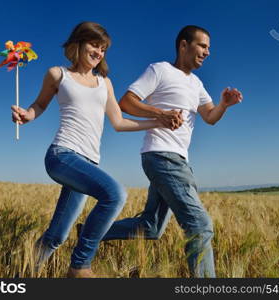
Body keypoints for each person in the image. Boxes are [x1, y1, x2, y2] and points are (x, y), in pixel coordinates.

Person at [11, 22, 179, 278]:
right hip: (62, 155)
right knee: (115, 195)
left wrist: (159, 121)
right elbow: (39, 105)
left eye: (103, 49)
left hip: (89, 164)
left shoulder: (105, 83)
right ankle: (80, 266)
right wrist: (27, 115)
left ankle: (22, 275)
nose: (99, 52)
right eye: (94, 45)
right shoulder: (58, 74)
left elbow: (119, 123)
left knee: (57, 235)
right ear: (77, 44)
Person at [100, 25, 243, 277]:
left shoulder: (197, 83)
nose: (207, 52)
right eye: (202, 45)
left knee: (151, 226)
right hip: (161, 155)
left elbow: (209, 117)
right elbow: (126, 102)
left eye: (209, 48)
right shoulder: (160, 70)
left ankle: (90, 231)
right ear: (184, 45)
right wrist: (161, 113)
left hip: (179, 160)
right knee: (200, 226)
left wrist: (224, 104)